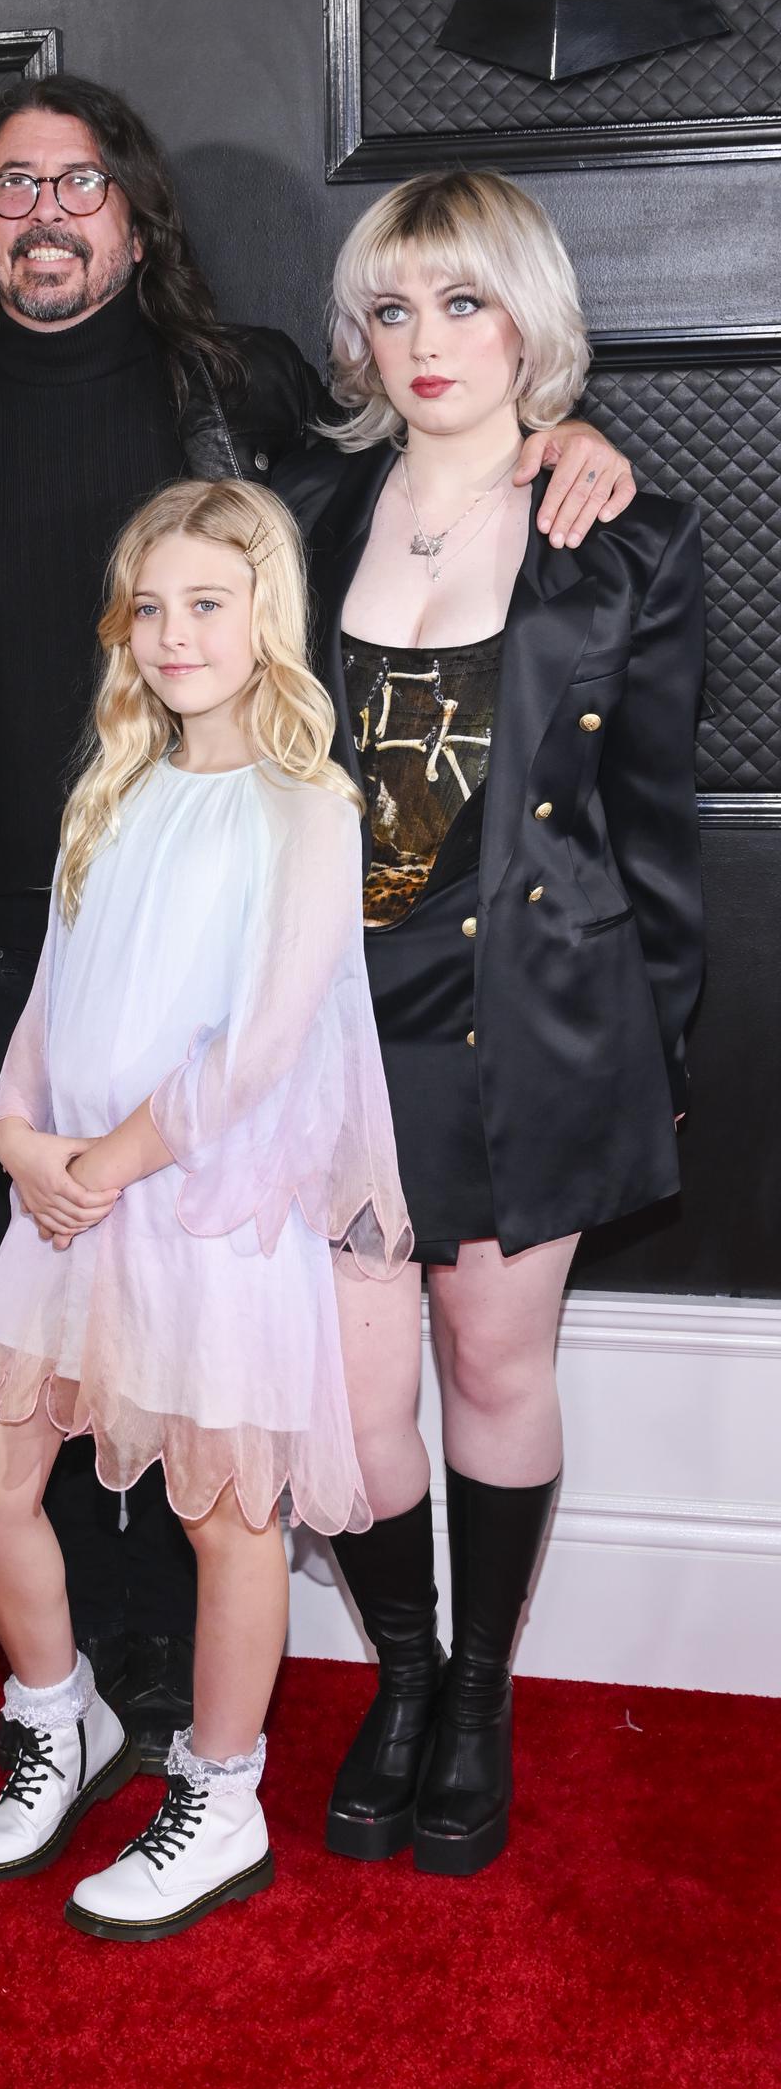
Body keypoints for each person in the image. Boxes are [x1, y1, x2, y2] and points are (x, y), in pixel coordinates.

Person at [0, 70, 635, 1758]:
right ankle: (167, 1688)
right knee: (187, 1376)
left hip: (377, 1001)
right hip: (118, 956)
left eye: (79, 183)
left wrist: (569, 436)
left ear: (136, 213)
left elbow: (615, 792)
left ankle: (348, 1701)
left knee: (350, 1361)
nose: (45, 212)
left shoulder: (253, 401)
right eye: (10, 187)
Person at [275, 168, 704, 1876]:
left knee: (491, 1361)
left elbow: (654, 833)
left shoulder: (631, 534)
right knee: (366, 1397)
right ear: (356, 339)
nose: (427, 341)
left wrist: (650, 1059)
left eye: (464, 303)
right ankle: (403, 1671)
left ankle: (482, 1694)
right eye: (393, 307)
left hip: (533, 1010)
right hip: (332, 1022)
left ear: (529, 319)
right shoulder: (297, 514)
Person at [0, 476, 409, 1941]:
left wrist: (113, 1158)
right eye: (150, 608)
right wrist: (22, 1136)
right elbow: (53, 997)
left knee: (227, 1518)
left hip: (206, 1211)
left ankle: (222, 1791)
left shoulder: (307, 809)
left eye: (207, 603)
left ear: (268, 615)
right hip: (72, 1204)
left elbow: (264, 1048)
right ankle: (58, 1714)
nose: (172, 634)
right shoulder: (117, 788)